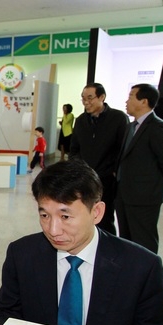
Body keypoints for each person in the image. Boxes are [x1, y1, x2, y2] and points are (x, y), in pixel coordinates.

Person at [0, 160, 163, 325]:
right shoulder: (22, 255)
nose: (53, 229)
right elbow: (7, 313)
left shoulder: (141, 266)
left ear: (96, 212)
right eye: (44, 215)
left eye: (65, 216)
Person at [116, 83, 163, 254]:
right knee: (126, 239)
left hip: (145, 197)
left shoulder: (158, 126)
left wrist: (154, 183)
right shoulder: (130, 127)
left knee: (144, 241)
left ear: (144, 101)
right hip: (124, 195)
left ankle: (147, 277)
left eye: (131, 96)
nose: (126, 101)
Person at [69, 82, 129, 235]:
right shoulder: (81, 120)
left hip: (107, 179)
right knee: (85, 214)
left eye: (90, 98)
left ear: (102, 97)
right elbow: (74, 149)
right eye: (83, 99)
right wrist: (77, 169)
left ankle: (108, 249)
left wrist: (114, 171)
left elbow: (123, 149)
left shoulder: (118, 118)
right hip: (84, 178)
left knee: (105, 217)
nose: (86, 102)